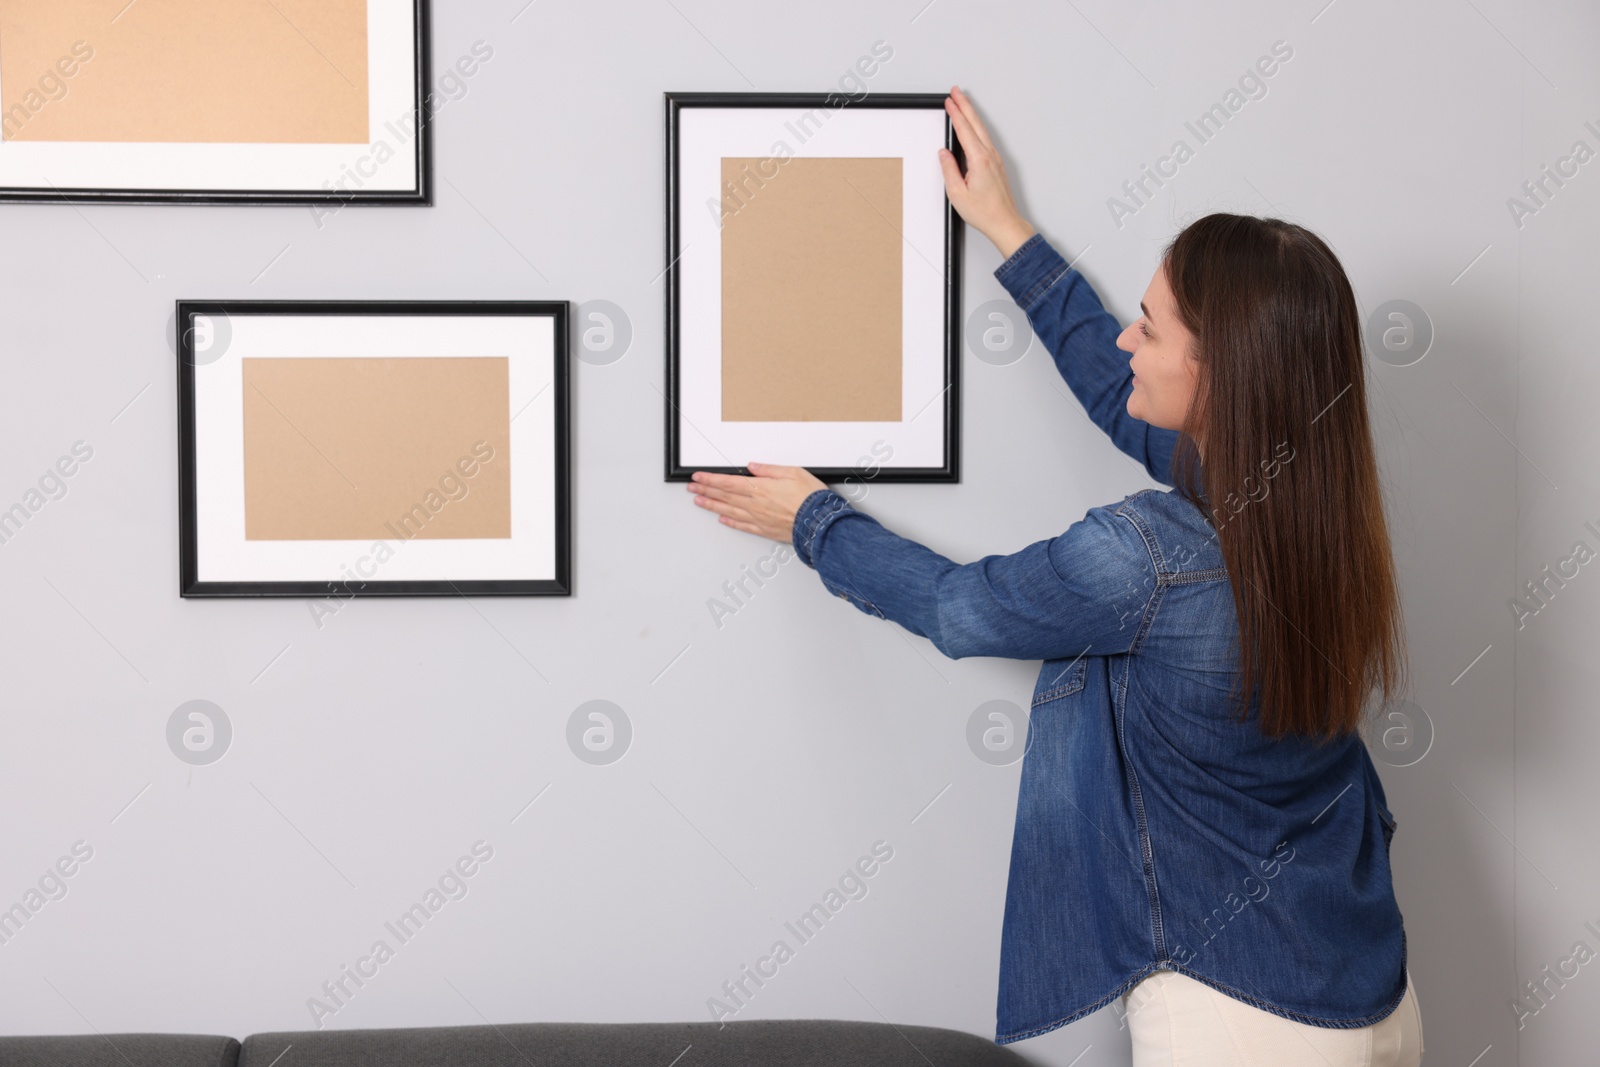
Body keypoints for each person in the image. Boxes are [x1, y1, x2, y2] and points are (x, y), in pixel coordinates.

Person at [686, 85, 1423, 1067]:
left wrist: (811, 520)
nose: (1128, 338)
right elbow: (1122, 401)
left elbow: (959, 606)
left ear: (1222, 375)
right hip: (1374, 997)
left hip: (1241, 1021)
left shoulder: (1147, 557)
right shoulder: (1315, 516)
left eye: (1151, 328)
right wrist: (1005, 227)